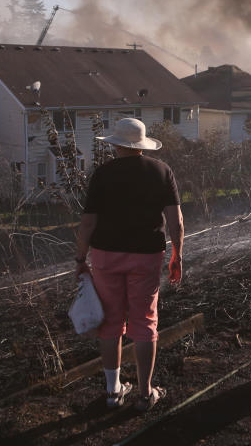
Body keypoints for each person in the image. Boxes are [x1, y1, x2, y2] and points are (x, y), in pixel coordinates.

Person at [76, 118, 184, 410]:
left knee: (110, 322)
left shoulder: (102, 174)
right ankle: (144, 393)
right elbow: (176, 221)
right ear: (141, 144)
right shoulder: (162, 171)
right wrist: (177, 254)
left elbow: (88, 222)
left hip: (105, 256)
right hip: (146, 256)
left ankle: (113, 392)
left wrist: (80, 258)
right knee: (144, 322)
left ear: (115, 145)